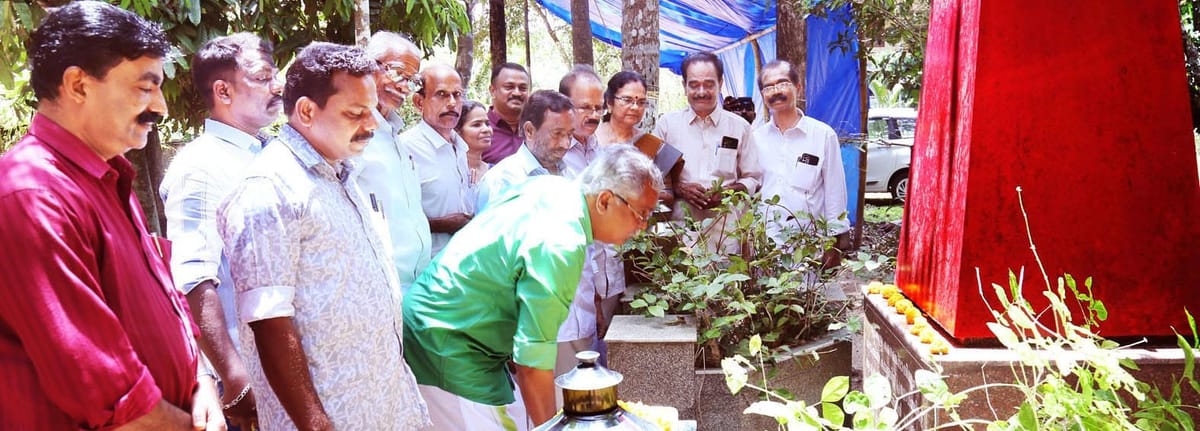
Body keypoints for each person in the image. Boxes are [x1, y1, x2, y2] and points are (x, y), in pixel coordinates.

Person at [0, 2, 222, 429]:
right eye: (145, 87)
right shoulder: (33, 195)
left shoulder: (108, 177)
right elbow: (105, 391)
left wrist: (200, 378)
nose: (161, 107)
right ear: (78, 85)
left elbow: (166, 304)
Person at [218, 42, 428, 430]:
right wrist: (314, 422)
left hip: (384, 405)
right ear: (307, 111)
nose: (372, 125)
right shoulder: (270, 190)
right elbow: (269, 322)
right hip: (333, 417)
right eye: (355, 113)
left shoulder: (342, 172)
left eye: (371, 112)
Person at [403, 145, 664, 430]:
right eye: (641, 215)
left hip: (451, 328)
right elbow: (532, 361)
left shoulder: (552, 187)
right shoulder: (561, 243)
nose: (642, 227)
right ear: (604, 201)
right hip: (449, 343)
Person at [159, 33, 283, 428]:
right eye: (263, 76)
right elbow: (192, 276)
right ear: (223, 91)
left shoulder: (267, 154)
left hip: (279, 365)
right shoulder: (201, 166)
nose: (276, 85)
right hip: (247, 374)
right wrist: (233, 374)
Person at [551, 65, 627, 380]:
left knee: (600, 379)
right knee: (567, 386)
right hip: (568, 295)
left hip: (606, 285)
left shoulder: (599, 152)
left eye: (598, 107)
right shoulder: (552, 159)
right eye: (584, 107)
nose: (593, 114)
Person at [653, 51, 762, 251]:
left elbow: (753, 178)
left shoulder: (739, 128)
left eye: (709, 84)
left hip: (726, 235)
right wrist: (680, 188)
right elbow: (655, 179)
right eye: (694, 84)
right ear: (684, 86)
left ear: (720, 83)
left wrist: (726, 192)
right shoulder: (667, 126)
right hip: (681, 234)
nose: (701, 91)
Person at [752, 60, 850, 269]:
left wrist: (833, 245)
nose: (775, 91)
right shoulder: (755, 139)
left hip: (808, 246)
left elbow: (835, 192)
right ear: (762, 94)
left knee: (807, 301)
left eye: (783, 83)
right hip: (765, 247)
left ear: (798, 87)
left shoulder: (822, 135)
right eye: (768, 87)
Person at [358, 31, 433, 289]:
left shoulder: (394, 136)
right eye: (398, 72)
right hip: (375, 284)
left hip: (413, 285)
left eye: (411, 80)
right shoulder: (353, 135)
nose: (403, 85)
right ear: (369, 66)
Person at [404, 63, 474, 256]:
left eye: (457, 94)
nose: (452, 103)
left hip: (463, 264)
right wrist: (440, 225)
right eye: (442, 94)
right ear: (419, 102)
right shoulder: (406, 149)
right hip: (426, 270)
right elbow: (394, 220)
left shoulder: (460, 146)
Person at [475, 89, 574, 210]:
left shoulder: (569, 175)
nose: (565, 144)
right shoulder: (502, 181)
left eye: (570, 134)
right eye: (557, 134)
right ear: (529, 131)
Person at [481, 62, 531, 163]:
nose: (517, 93)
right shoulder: (479, 130)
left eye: (523, 88)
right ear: (492, 90)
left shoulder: (536, 129)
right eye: (509, 87)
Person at [457, 100, 494, 185]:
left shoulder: (495, 172)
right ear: (457, 131)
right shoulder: (450, 172)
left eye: (487, 124)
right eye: (476, 125)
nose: (486, 129)